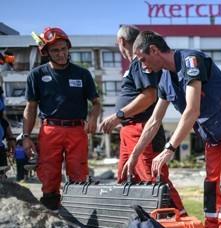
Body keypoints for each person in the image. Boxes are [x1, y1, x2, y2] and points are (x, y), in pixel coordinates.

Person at [122, 31, 221, 228]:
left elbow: (192, 110)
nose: (143, 66)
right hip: (213, 135)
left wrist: (168, 149)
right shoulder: (164, 80)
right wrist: (134, 156)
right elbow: (153, 121)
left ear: (153, 50)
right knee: (211, 186)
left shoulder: (191, 61)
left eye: (142, 59)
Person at [99, 25, 185, 214]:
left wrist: (118, 115)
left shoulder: (141, 63)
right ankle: (135, 225)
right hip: (130, 130)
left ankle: (179, 222)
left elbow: (149, 96)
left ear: (121, 42)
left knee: (153, 181)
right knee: (125, 177)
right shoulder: (136, 64)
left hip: (141, 128)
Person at [22, 27, 100, 210]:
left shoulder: (82, 74)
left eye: (63, 48)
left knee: (79, 173)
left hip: (77, 130)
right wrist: (25, 136)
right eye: (55, 50)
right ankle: (51, 212)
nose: (61, 53)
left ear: (68, 48)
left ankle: (79, 212)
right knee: (49, 174)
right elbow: (30, 107)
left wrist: (93, 118)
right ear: (46, 52)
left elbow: (96, 102)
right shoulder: (37, 75)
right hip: (50, 130)